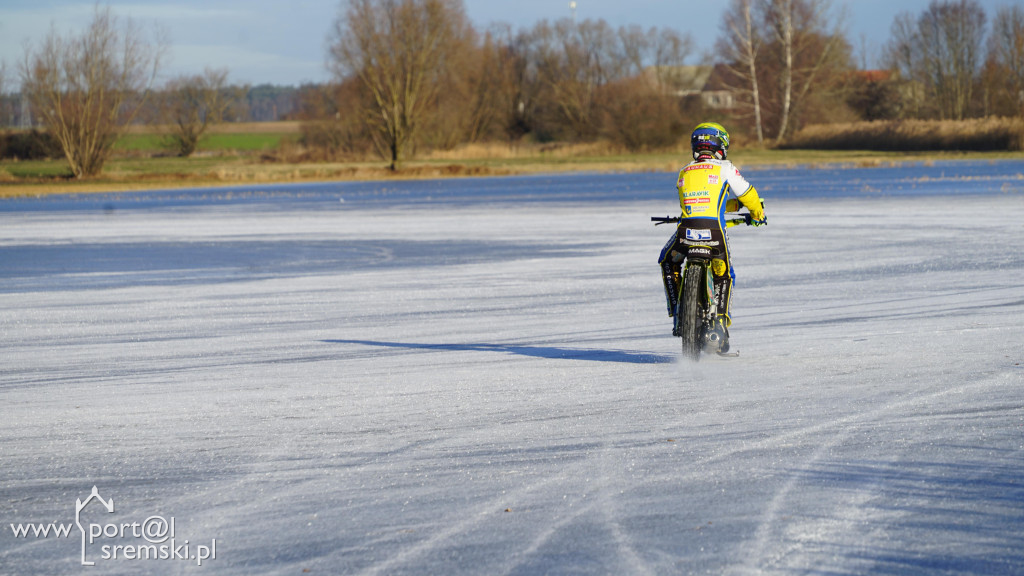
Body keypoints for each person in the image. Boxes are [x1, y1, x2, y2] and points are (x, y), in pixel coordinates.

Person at [659, 122, 766, 352]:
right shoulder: (725, 168)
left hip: (685, 234)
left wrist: (731, 206)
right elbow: (749, 194)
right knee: (725, 274)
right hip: (714, 234)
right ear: (722, 146)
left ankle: (678, 311)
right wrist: (757, 214)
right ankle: (720, 320)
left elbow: (699, 202)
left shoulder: (684, 171)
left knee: (667, 260)